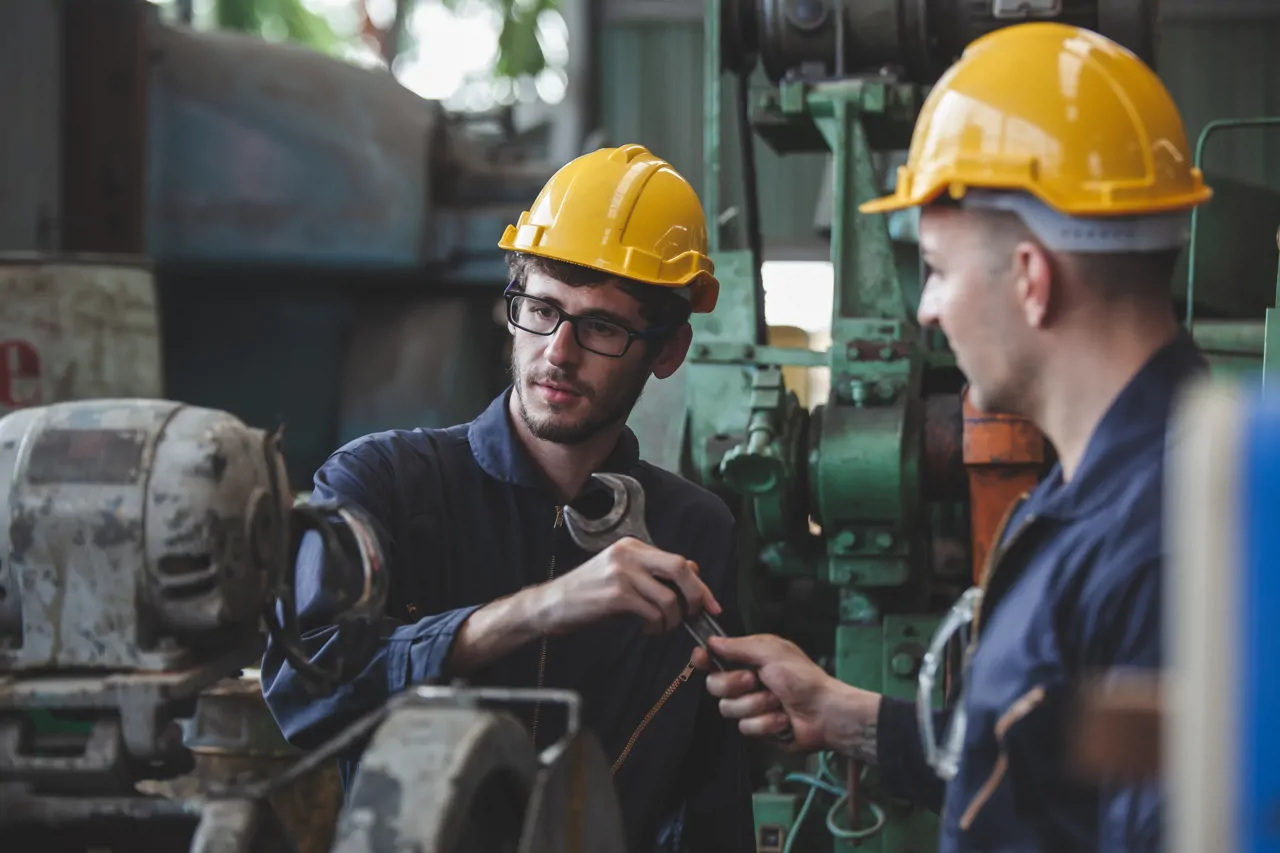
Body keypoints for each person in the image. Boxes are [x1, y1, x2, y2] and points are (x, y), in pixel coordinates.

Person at [694, 21, 1213, 853]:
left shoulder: (1166, 545)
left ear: (1031, 279)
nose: (926, 309)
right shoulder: (1112, 491)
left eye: (935, 269)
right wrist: (846, 715)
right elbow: (1045, 765)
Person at [260, 144, 754, 853]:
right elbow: (304, 693)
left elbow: (710, 799)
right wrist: (541, 607)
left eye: (602, 326)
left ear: (667, 351)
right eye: (541, 310)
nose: (558, 350)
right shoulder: (382, 484)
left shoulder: (692, 529)